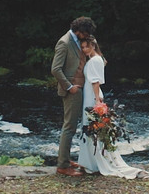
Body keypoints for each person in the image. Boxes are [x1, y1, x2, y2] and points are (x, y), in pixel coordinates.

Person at [77, 36, 149, 179]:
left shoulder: (94, 60)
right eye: (82, 47)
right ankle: (92, 163)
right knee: (91, 128)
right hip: (91, 94)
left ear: (93, 45)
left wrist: (97, 101)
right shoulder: (97, 59)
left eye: (86, 46)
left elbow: (95, 82)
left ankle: (96, 163)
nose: (84, 49)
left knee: (93, 127)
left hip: (92, 96)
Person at [51, 16, 96, 177]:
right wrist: (69, 88)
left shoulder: (78, 39)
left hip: (82, 88)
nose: (86, 36)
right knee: (69, 127)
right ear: (79, 31)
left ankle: (66, 159)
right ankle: (62, 166)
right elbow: (55, 69)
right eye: (85, 34)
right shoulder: (64, 42)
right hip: (72, 90)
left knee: (74, 126)